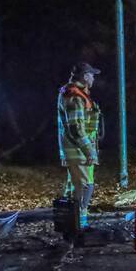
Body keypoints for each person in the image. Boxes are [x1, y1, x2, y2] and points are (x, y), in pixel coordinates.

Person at [57, 62, 103, 228]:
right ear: (85, 77)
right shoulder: (74, 96)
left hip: (77, 150)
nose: (93, 78)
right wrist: (89, 150)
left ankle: (72, 224)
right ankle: (80, 224)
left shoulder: (76, 94)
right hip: (78, 150)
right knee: (85, 186)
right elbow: (76, 127)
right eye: (91, 75)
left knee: (75, 188)